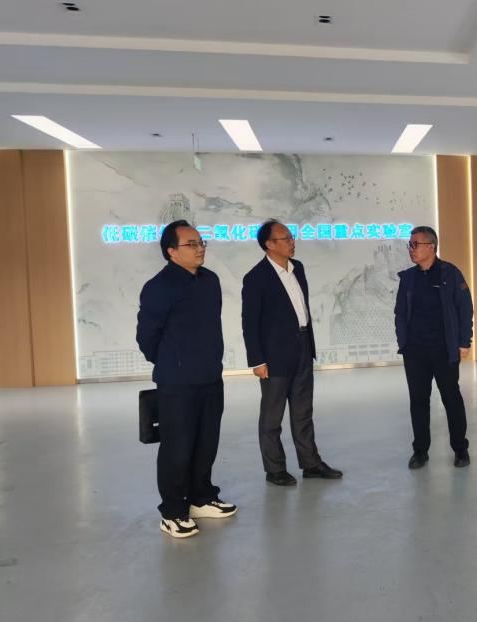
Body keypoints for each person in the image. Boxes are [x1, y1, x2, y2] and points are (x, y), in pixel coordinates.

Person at [136, 220, 237, 539]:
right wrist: (172, 362)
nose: (200, 248)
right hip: (177, 383)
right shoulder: (159, 287)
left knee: (207, 442)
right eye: (191, 244)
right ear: (171, 251)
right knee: (177, 448)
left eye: (201, 242)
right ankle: (172, 512)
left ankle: (200, 498)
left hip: (210, 377)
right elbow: (147, 337)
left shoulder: (210, 281)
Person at [241, 219, 342, 486]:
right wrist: (257, 360)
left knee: (303, 411)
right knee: (272, 416)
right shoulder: (256, 278)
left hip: (303, 346)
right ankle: (275, 469)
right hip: (274, 355)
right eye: (285, 238)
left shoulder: (299, 268)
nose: (292, 242)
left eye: (291, 237)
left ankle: (311, 463)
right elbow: (249, 322)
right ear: (269, 244)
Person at [394, 225, 473, 469]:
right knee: (418, 401)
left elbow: (465, 308)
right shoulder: (408, 278)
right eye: (410, 245)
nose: (411, 249)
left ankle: (460, 449)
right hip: (415, 351)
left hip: (444, 349)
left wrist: (464, 341)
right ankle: (420, 451)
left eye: (415, 244)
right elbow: (400, 312)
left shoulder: (450, 273)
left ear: (431, 247)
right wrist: (403, 341)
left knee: (451, 398)